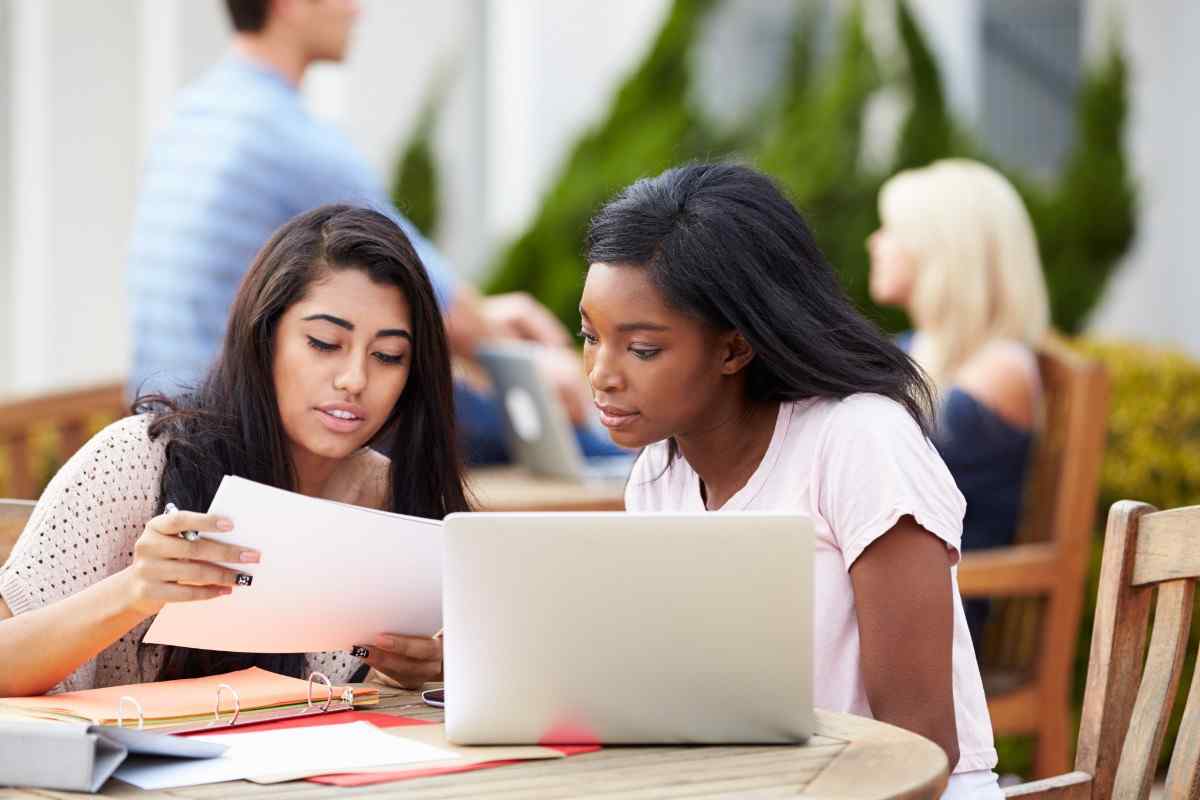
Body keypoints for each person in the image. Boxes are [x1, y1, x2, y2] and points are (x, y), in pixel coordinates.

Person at [579, 163, 1001, 798]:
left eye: (641, 349)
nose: (600, 374)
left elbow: (922, 746)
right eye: (589, 336)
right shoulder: (658, 476)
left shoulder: (860, 442)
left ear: (733, 348)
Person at [127, 0, 617, 464]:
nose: (356, 8)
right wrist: (530, 366)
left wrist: (485, 317)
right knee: (592, 444)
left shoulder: (190, 117)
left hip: (169, 414)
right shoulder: (287, 137)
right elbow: (424, 293)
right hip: (248, 424)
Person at [0, 206, 457, 696]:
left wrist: (437, 667)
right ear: (264, 337)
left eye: (388, 356)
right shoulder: (138, 461)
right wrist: (134, 591)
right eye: (325, 343)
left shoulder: (400, 505)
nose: (355, 379)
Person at [868, 158, 1049, 651]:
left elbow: (899, 485)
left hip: (938, 628)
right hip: (900, 600)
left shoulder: (1000, 372)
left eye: (890, 230)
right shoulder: (923, 350)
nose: (875, 242)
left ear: (942, 249)